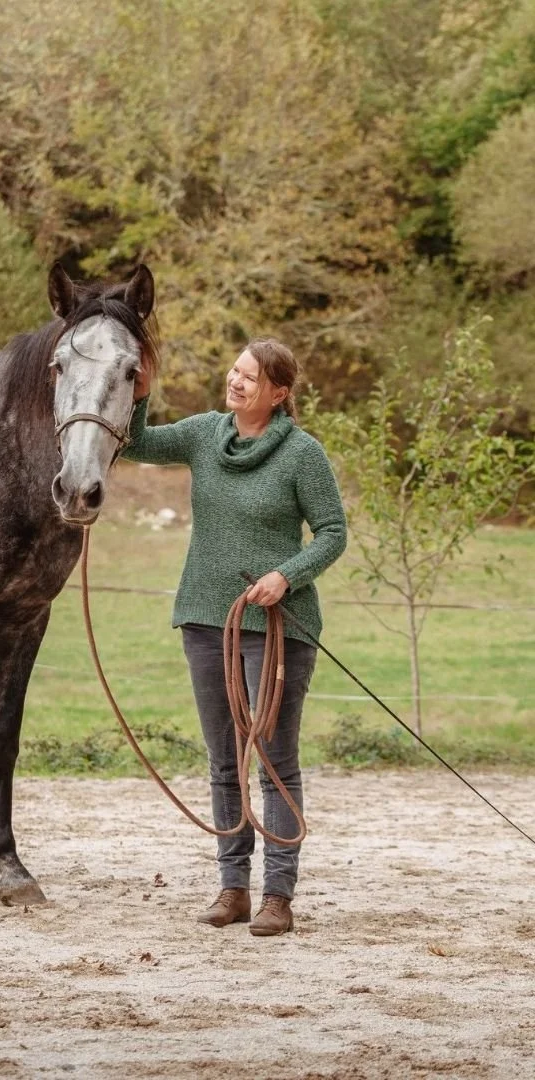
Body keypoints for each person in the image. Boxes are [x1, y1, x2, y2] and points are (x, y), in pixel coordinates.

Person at [123, 338, 347, 936]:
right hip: (204, 617)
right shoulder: (203, 435)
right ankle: (232, 888)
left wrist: (286, 575)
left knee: (274, 761)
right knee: (224, 759)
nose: (237, 382)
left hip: (277, 628)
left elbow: (331, 532)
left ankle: (279, 894)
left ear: (279, 392)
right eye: (235, 371)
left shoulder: (302, 455)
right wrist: (140, 394)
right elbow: (139, 443)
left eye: (251, 377)